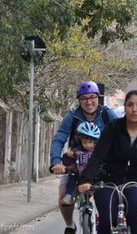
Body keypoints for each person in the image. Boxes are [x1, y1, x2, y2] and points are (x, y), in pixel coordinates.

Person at [78, 90, 137, 234]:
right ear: (125, 107)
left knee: (133, 210)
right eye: (130, 105)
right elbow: (97, 156)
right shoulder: (112, 128)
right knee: (107, 217)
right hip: (108, 180)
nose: (134, 109)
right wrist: (86, 180)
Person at [50, 81, 117, 234]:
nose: (89, 102)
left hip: (102, 164)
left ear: (98, 98)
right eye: (84, 98)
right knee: (63, 195)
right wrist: (56, 162)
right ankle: (69, 225)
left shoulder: (108, 114)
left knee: (109, 197)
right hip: (77, 162)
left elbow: (123, 135)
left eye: (92, 97)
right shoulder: (72, 116)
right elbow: (59, 138)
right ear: (79, 100)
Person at [61, 121, 101, 206]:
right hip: (78, 173)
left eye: (90, 142)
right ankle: (68, 195)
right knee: (72, 176)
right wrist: (68, 154)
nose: (87, 145)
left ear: (95, 141)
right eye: (85, 142)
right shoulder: (77, 149)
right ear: (80, 141)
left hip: (91, 175)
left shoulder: (97, 151)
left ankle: (88, 199)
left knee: (98, 182)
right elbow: (67, 160)